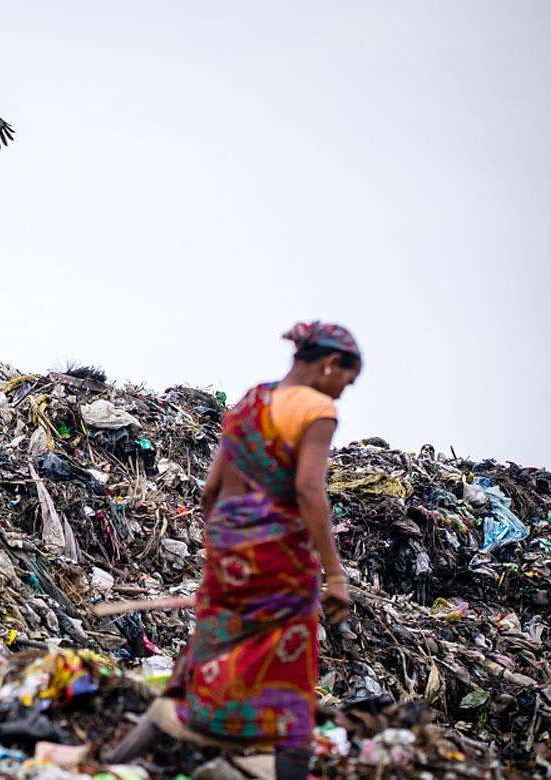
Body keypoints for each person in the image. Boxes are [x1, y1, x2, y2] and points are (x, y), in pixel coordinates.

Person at [104, 321, 362, 779]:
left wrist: (226, 546)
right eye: (347, 378)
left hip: (229, 549)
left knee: (209, 646)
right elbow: (308, 489)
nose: (344, 391)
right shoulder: (316, 408)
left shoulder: (249, 402)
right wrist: (335, 574)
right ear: (329, 364)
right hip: (279, 562)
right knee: (289, 672)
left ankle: (118, 757)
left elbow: (211, 490)